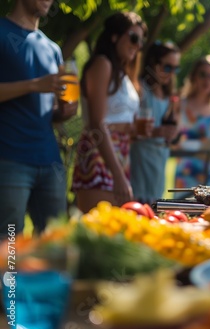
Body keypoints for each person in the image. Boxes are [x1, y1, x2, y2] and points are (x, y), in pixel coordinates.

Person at [0, 0, 78, 237]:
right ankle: (10, 277)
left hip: (50, 161)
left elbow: (47, 107)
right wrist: (35, 85)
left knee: (54, 242)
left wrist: (62, 112)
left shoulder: (52, 48)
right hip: (10, 159)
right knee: (9, 242)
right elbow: (37, 88)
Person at [71, 11, 147, 213]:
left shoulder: (122, 73)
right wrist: (118, 175)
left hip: (119, 153)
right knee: (96, 234)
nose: (138, 45)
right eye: (133, 38)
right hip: (100, 153)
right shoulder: (102, 64)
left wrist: (132, 130)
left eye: (141, 41)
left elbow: (116, 118)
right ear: (114, 36)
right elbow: (97, 122)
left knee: (112, 234)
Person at [130, 42, 181, 204]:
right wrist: (157, 132)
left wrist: (174, 135)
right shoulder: (141, 90)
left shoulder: (168, 97)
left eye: (175, 69)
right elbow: (129, 131)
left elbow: (171, 134)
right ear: (153, 63)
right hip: (139, 163)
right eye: (167, 67)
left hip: (159, 164)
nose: (171, 73)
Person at [173, 55, 210, 196]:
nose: (207, 80)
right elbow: (173, 140)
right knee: (183, 212)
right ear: (193, 77)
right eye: (203, 75)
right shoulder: (181, 104)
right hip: (187, 169)